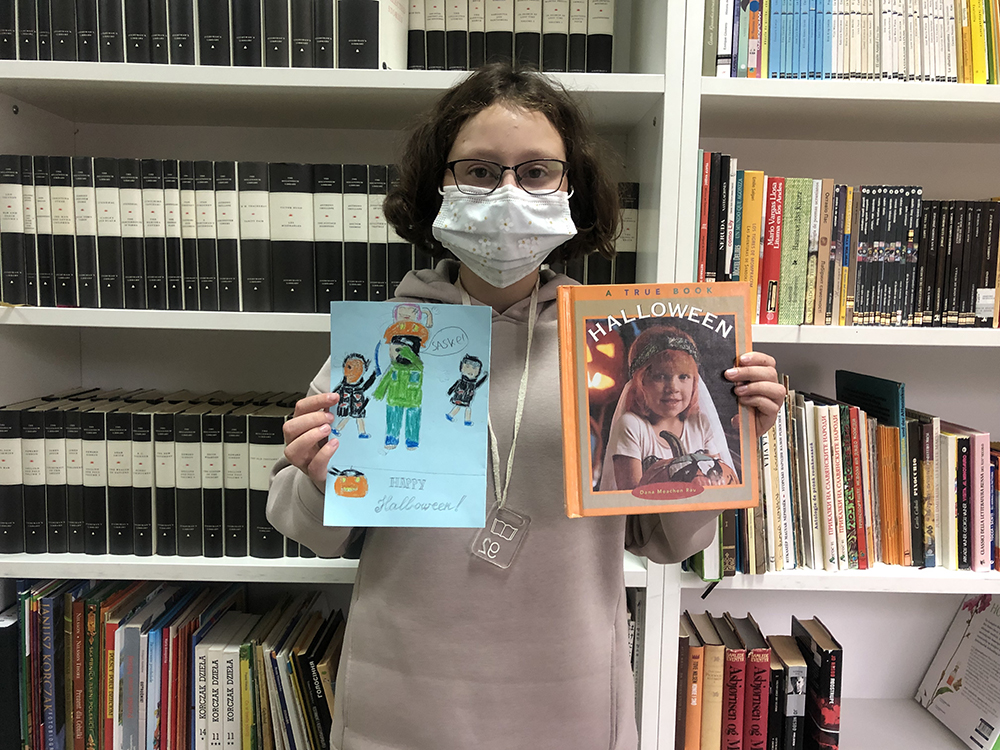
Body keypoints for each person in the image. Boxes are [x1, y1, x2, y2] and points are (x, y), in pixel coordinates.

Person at [267, 62, 786, 750]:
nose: (507, 193)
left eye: (536, 172)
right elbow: (316, 532)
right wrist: (314, 476)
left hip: (570, 700)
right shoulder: (388, 338)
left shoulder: (612, 348)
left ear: (571, 187)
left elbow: (668, 542)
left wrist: (729, 440)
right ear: (438, 185)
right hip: (402, 700)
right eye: (480, 171)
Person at [600, 324, 739, 492]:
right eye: (660, 376)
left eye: (683, 376)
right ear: (640, 383)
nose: (673, 387)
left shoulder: (700, 423)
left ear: (695, 383)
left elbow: (720, 480)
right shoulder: (632, 426)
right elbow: (632, 496)